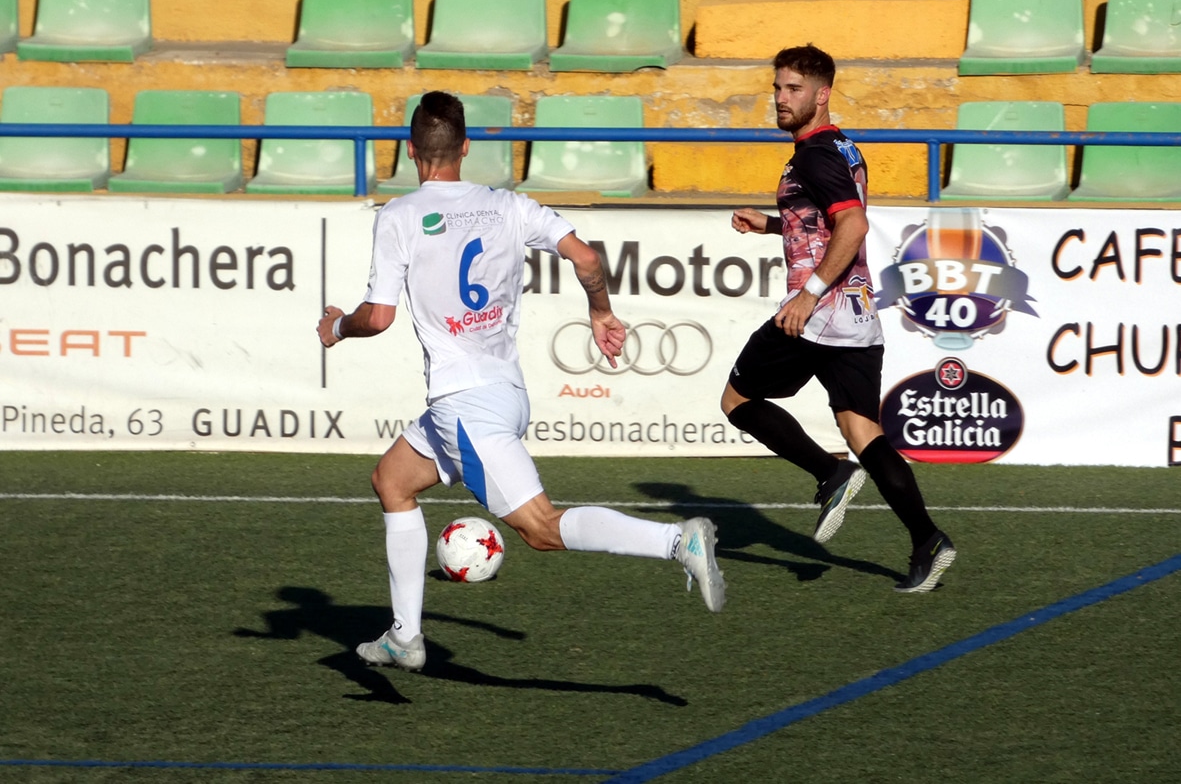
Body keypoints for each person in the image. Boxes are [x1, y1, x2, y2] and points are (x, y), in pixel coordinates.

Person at [317, 91, 726, 672]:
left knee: (540, 528)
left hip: (466, 407)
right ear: (465, 147)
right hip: (500, 394)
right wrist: (601, 312)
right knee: (391, 480)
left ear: (410, 151)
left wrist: (335, 327)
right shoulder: (510, 206)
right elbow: (585, 258)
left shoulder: (400, 217)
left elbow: (377, 317)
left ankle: (674, 542)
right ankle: (404, 634)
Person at [722, 45, 955, 593]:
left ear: (822, 94)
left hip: (820, 312)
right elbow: (825, 223)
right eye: (777, 88)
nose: (781, 98)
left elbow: (853, 227)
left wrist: (806, 295)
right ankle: (927, 540)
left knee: (738, 401)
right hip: (856, 312)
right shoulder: (842, 147)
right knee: (862, 429)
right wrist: (771, 225)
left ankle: (829, 473)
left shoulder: (814, 154)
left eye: (793, 89)